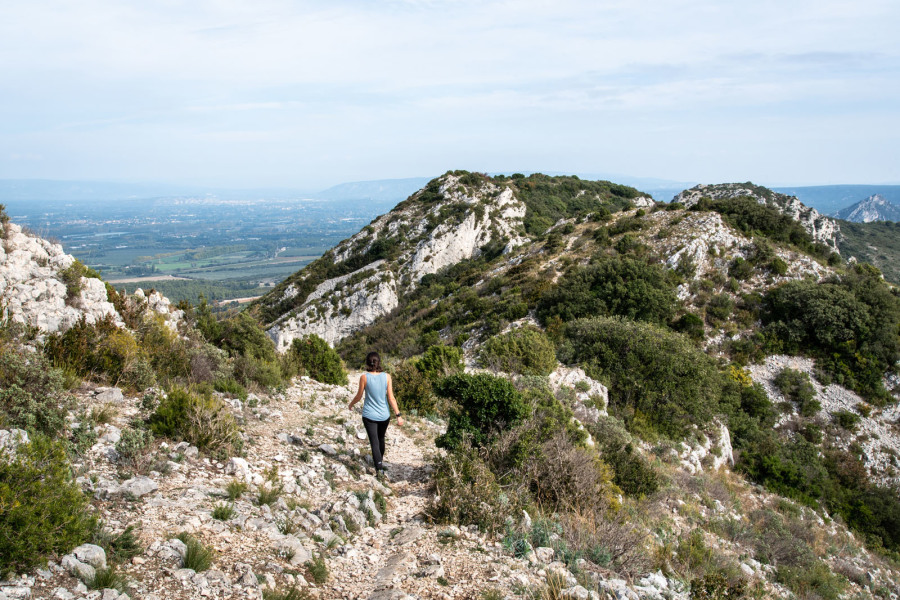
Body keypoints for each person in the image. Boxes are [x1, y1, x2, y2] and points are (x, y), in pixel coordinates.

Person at [348, 351, 403, 477]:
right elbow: (391, 398)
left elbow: (359, 395)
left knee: (374, 442)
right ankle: (380, 462)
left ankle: (379, 469)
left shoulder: (364, 377)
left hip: (369, 415)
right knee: (381, 438)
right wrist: (398, 415)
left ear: (367, 362)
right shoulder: (387, 377)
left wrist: (351, 404)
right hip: (384, 415)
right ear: (379, 362)